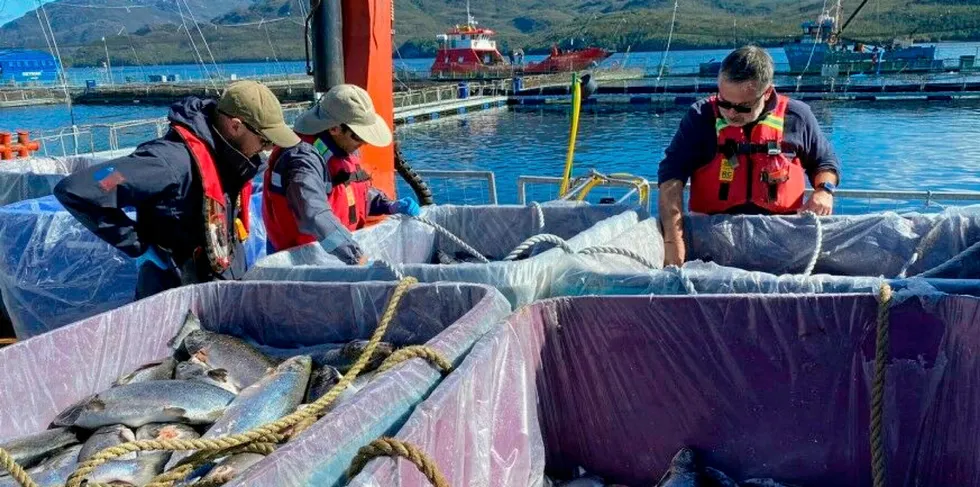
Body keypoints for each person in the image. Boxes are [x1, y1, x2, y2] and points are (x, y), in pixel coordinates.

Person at [54, 80, 300, 299]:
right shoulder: (166, 163)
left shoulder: (230, 159)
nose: (267, 149)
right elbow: (78, 189)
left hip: (219, 287)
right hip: (175, 295)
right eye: (265, 140)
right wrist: (138, 245)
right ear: (235, 126)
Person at [657, 45, 841, 267]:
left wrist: (824, 191)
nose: (731, 113)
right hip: (711, 238)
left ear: (767, 93)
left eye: (743, 107)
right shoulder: (700, 117)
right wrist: (673, 240)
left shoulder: (798, 117)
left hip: (782, 239)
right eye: (724, 102)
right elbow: (671, 174)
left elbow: (824, 163)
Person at [262, 83, 421, 263]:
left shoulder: (341, 149)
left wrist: (388, 205)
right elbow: (314, 215)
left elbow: (352, 193)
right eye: (358, 136)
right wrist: (355, 256)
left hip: (337, 257)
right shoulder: (302, 161)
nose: (363, 143)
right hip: (304, 266)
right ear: (334, 128)